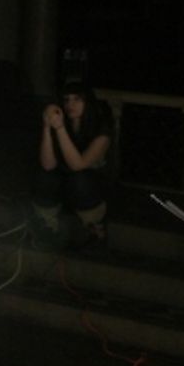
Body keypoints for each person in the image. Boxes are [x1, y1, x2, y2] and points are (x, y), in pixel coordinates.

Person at [32, 76, 113, 247]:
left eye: (77, 99)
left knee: (80, 178)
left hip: (92, 187)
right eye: (67, 100)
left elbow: (79, 165)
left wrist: (60, 129)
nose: (70, 105)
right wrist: (47, 126)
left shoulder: (101, 129)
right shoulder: (64, 124)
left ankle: (95, 226)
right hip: (66, 183)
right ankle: (47, 224)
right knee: (44, 175)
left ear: (87, 102)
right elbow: (48, 164)